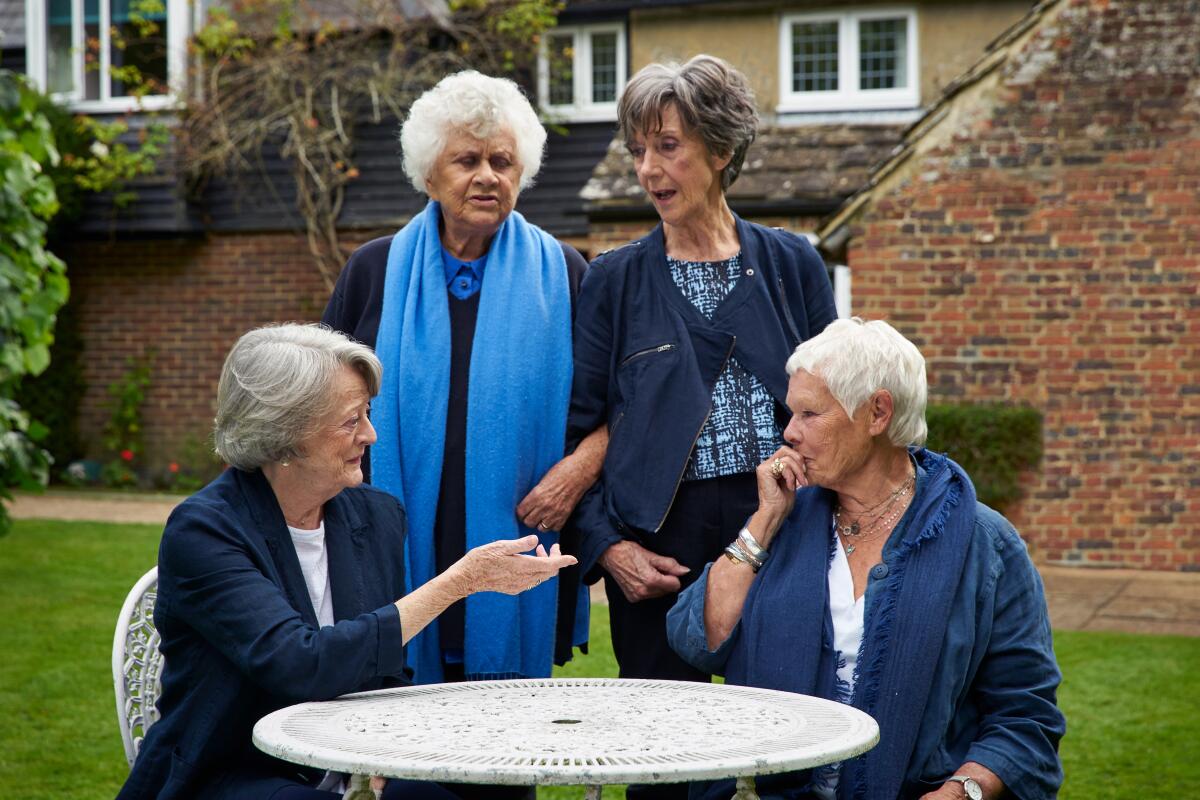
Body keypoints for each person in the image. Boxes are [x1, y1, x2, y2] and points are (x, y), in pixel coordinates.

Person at [117, 324, 575, 800]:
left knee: (492, 786)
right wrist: (457, 582)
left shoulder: (375, 515)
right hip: (229, 767)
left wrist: (388, 752)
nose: (371, 435)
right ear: (283, 434)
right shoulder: (205, 531)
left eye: (368, 414)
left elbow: (386, 669)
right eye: (350, 421)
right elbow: (298, 663)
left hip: (345, 759)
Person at [666, 318, 1065, 800]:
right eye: (790, 414)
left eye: (810, 414)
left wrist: (961, 792)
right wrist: (764, 521)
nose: (788, 432)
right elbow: (700, 638)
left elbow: (1025, 717)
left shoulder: (984, 543)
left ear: (877, 413)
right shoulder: (785, 518)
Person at [568, 54, 837, 698]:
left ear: (720, 149)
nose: (647, 170)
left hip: (780, 526)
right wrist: (610, 549)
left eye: (667, 146)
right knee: (665, 750)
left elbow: (838, 408)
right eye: (638, 150)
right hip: (659, 547)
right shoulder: (613, 279)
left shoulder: (793, 263)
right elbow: (575, 435)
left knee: (780, 731)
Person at [323, 71, 604, 687]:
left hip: (518, 530)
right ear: (430, 175)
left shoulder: (564, 272)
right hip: (392, 539)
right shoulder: (372, 271)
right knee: (402, 746)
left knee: (506, 752)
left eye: (502, 161)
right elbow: (320, 406)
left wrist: (578, 469)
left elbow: (613, 408)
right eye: (467, 159)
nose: (487, 176)